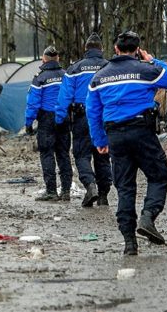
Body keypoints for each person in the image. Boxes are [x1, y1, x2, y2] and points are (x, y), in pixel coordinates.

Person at [86, 31, 167, 256]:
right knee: (159, 176)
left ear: (116, 49)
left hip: (115, 137)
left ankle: (130, 243)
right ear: (137, 50)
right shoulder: (147, 70)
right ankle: (148, 217)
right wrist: (153, 60)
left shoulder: (99, 77)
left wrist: (99, 140)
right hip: (142, 131)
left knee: (125, 188)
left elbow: (93, 111)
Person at [55, 33, 112, 207]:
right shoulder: (109, 67)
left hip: (83, 117)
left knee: (81, 154)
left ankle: (90, 185)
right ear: (101, 49)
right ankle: (103, 195)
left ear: (85, 49)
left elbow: (64, 96)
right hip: (104, 116)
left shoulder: (75, 69)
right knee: (103, 156)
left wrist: (59, 119)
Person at [25, 46, 73, 201]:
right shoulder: (66, 75)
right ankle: (66, 191)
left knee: (47, 154)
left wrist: (29, 122)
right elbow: (71, 96)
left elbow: (33, 103)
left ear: (43, 59)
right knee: (64, 154)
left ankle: (51, 191)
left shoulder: (39, 78)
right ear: (57, 59)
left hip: (46, 119)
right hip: (64, 117)